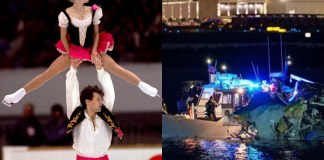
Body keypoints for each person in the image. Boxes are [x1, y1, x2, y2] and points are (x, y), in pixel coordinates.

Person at [2, 0, 158, 107]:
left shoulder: (94, 10)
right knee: (48, 74)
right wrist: (71, 53)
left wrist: (95, 50)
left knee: (117, 69)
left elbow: (96, 34)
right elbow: (63, 37)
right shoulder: (65, 14)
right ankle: (18, 95)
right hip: (73, 48)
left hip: (93, 46)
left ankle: (144, 86)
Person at [65, 57, 123, 159]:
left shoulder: (105, 113)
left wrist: (100, 69)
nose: (101, 102)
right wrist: (73, 70)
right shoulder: (75, 114)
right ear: (88, 102)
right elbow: (71, 91)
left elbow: (109, 91)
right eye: (98, 100)